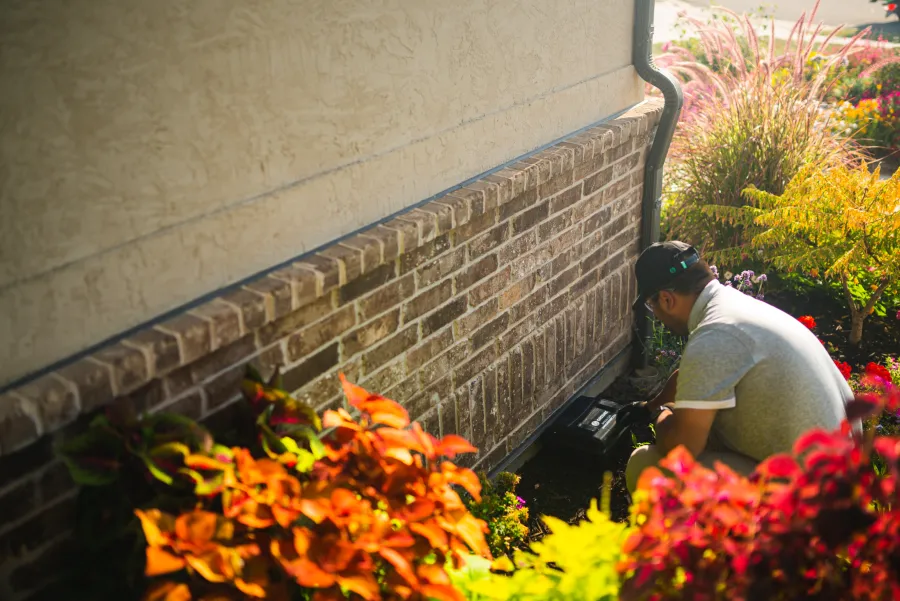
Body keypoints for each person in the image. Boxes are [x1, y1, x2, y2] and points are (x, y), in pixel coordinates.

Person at [618, 241, 856, 493]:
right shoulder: (733, 307)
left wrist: (662, 414)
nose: (654, 314)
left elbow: (681, 449)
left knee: (645, 465)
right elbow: (693, 378)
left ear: (666, 299)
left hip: (809, 505)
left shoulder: (714, 336)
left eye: (650, 305)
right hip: (842, 478)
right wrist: (648, 406)